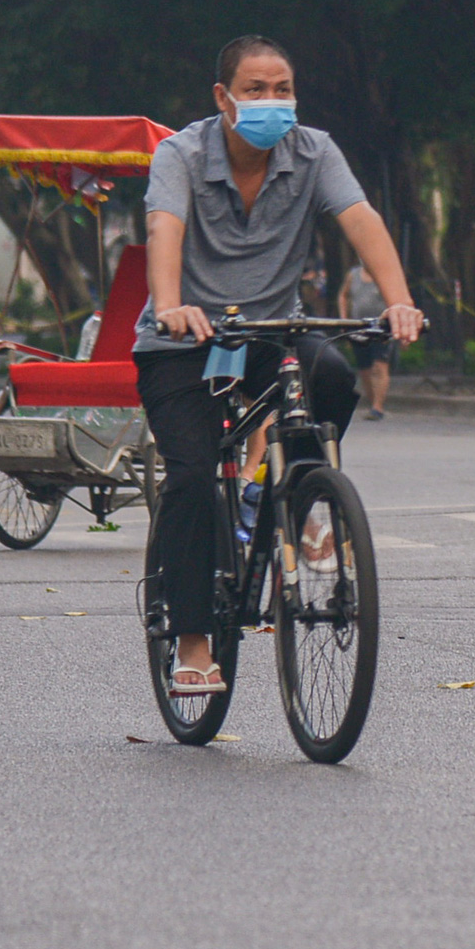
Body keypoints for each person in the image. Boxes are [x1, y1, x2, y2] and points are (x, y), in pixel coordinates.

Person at [135, 35, 424, 697]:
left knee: (331, 378)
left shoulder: (315, 151)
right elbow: (164, 231)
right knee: (191, 478)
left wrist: (401, 301)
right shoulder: (180, 155)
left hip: (271, 333)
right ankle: (195, 639)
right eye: (256, 90)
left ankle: (297, 498)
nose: (272, 101)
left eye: (283, 89)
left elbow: (362, 219)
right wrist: (170, 303)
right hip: (184, 342)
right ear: (223, 97)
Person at [337, 256, 393, 420]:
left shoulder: (384, 275)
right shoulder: (353, 275)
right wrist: (344, 319)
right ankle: (372, 401)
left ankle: (378, 406)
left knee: (379, 365)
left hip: (381, 328)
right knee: (364, 368)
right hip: (358, 327)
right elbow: (343, 295)